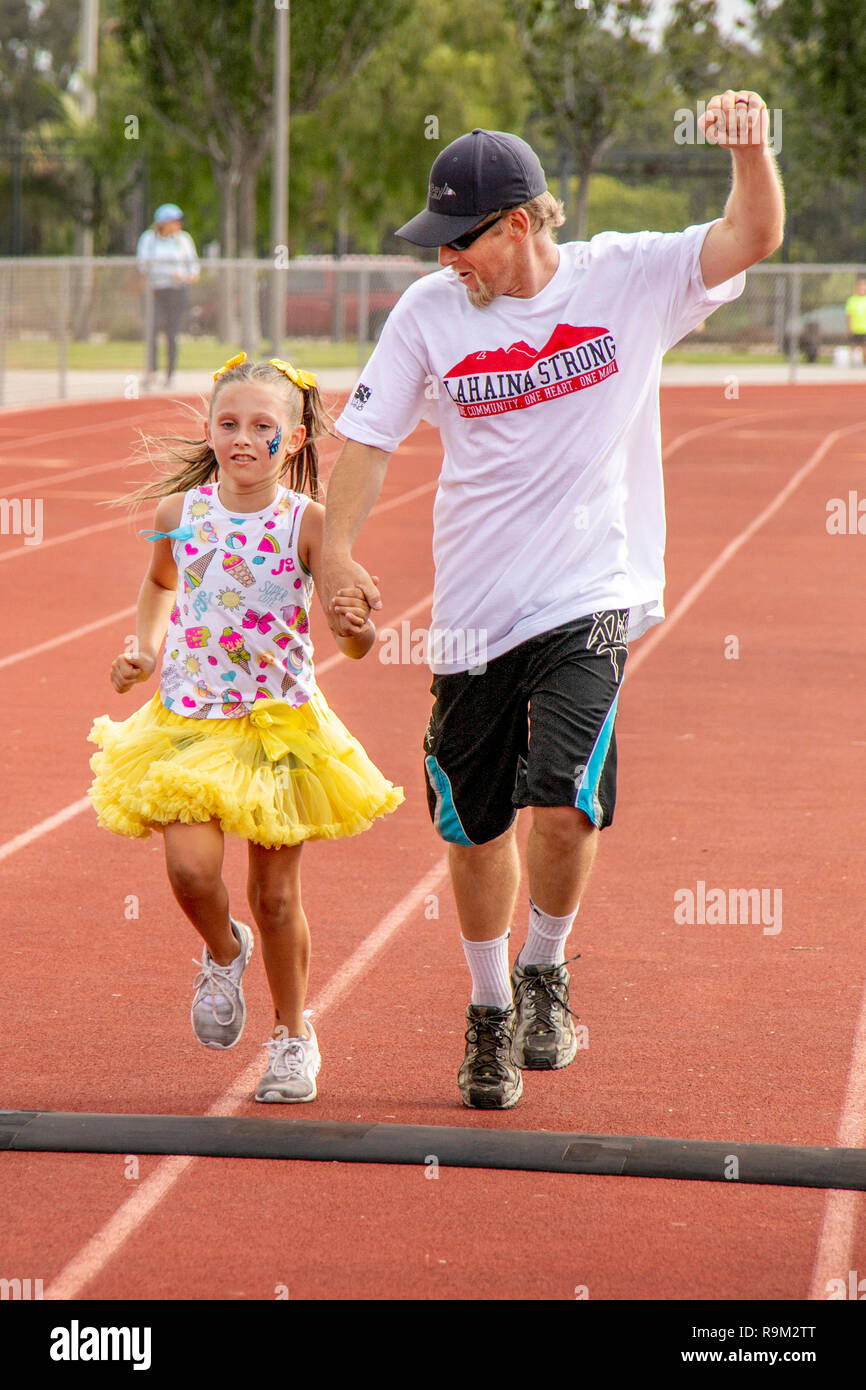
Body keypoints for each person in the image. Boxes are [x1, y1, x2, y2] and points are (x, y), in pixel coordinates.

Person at [321, 91, 785, 1109]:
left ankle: (544, 971)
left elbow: (751, 232)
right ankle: (488, 1009)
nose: (447, 260)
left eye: (462, 242)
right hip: (473, 612)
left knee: (564, 806)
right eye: (438, 243)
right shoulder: (426, 315)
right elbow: (364, 438)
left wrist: (751, 148)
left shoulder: (627, 278)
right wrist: (336, 552)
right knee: (471, 829)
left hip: (591, 594)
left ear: (519, 223)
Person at [87, 353, 403, 1103]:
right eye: (229, 423)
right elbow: (161, 583)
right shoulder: (181, 516)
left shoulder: (309, 524)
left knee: (277, 896)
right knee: (192, 871)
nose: (243, 438)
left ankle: (293, 1036)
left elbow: (352, 641)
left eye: (263, 427)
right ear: (209, 429)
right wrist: (143, 648)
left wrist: (356, 626)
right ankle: (224, 953)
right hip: (189, 720)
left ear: (292, 441)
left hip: (278, 726)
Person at [136, 203, 200, 391]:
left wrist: (184, 276)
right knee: (152, 329)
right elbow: (143, 266)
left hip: (177, 291)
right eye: (174, 221)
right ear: (164, 223)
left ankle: (170, 373)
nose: (178, 224)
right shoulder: (148, 239)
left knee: (172, 333)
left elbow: (193, 268)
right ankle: (152, 371)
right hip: (155, 291)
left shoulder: (184, 240)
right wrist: (165, 272)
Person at [845, 274, 866, 365]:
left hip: (864, 328)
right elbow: (849, 315)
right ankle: (852, 363)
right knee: (853, 346)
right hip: (855, 327)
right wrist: (849, 327)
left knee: (864, 346)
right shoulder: (852, 300)